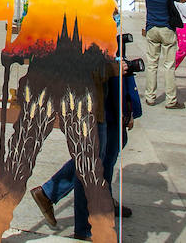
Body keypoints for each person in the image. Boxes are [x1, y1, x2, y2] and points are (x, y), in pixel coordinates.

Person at [32, 47, 141, 236]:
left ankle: (97, 206)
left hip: (100, 96)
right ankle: (83, 228)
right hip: (88, 103)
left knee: (107, 149)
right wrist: (114, 68)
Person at [142, 0, 186, 109]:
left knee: (151, 64)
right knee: (169, 66)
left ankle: (150, 97)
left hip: (152, 30)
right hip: (166, 29)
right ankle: (171, 100)